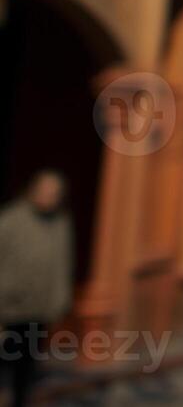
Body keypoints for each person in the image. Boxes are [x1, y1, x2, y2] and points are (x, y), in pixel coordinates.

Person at [0, 170, 74, 407]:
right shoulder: (10, 219)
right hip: (7, 307)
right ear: (33, 189)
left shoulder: (61, 223)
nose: (48, 196)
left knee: (27, 363)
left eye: (54, 193)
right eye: (45, 190)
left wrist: (60, 300)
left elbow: (63, 263)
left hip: (39, 307)